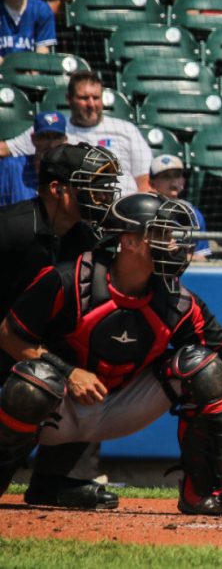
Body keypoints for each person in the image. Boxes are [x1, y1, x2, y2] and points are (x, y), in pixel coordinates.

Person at [0, 192, 222, 516]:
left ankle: (203, 493)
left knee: (203, 366)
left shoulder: (176, 300)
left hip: (120, 407)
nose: (173, 244)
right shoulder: (68, 279)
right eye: (161, 234)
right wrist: (68, 372)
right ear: (128, 241)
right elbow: (9, 335)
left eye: (172, 236)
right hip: (61, 405)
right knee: (35, 383)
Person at [0, 143, 120, 510]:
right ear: (58, 189)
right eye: (94, 186)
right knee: (39, 381)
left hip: (34, 352)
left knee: (98, 354)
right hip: (7, 345)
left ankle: (60, 480)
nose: (104, 197)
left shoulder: (90, 241)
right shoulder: (10, 230)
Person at [0, 71, 152, 195]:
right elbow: (4, 149)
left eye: (96, 98)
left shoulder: (126, 130)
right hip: (74, 213)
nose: (91, 104)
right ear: (69, 99)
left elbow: (144, 183)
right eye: (84, 98)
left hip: (122, 208)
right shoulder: (54, 130)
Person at [148, 155, 210, 260]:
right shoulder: (145, 210)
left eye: (177, 176)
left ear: (183, 181)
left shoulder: (193, 213)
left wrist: (176, 255)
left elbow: (201, 257)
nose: (173, 181)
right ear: (152, 183)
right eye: (166, 176)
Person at [1, 111, 65, 206]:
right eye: (44, 136)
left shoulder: (69, 174)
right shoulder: (10, 167)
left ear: (65, 140)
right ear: (33, 139)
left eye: (56, 137)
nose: (51, 144)